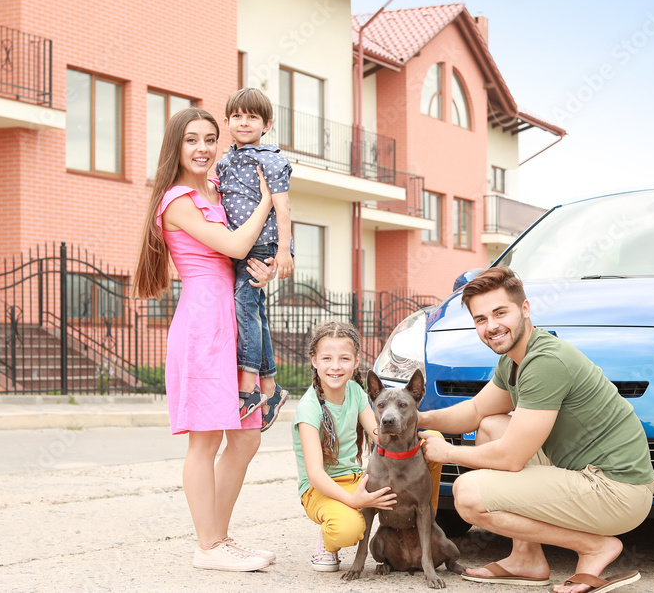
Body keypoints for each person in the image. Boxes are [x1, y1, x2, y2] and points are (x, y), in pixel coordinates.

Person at [418, 267, 654, 593]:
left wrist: (446, 452)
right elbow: (476, 411)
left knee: (468, 495)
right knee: (490, 426)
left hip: (615, 491)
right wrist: (420, 420)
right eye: (481, 319)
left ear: (525, 309)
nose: (491, 326)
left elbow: (512, 458)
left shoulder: (546, 361)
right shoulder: (516, 359)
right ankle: (525, 559)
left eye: (500, 313)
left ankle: (593, 547)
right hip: (587, 475)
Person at [131, 107, 277, 572]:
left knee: (246, 438)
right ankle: (207, 546)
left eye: (210, 139)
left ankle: (219, 536)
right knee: (206, 440)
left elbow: (244, 254)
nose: (202, 148)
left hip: (235, 319)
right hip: (203, 326)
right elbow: (233, 245)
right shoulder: (175, 200)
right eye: (191, 139)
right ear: (176, 145)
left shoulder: (214, 191)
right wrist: (269, 200)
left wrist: (267, 267)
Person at [292, 321, 444, 573]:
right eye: (327, 358)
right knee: (348, 529)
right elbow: (315, 475)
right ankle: (327, 539)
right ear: (314, 361)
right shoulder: (308, 408)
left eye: (344, 358)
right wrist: (354, 500)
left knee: (432, 441)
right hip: (321, 487)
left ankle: (421, 518)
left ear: (355, 361)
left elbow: (378, 434)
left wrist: (406, 433)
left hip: (355, 479)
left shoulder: (355, 391)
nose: (336, 366)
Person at [216, 87, 293, 431]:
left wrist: (284, 251)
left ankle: (248, 386)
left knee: (244, 307)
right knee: (255, 312)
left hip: (261, 245)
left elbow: (283, 206)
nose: (244, 122)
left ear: (267, 124)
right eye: (237, 116)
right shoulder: (225, 160)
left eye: (252, 117)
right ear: (228, 121)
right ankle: (271, 389)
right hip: (238, 245)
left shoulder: (269, 157)